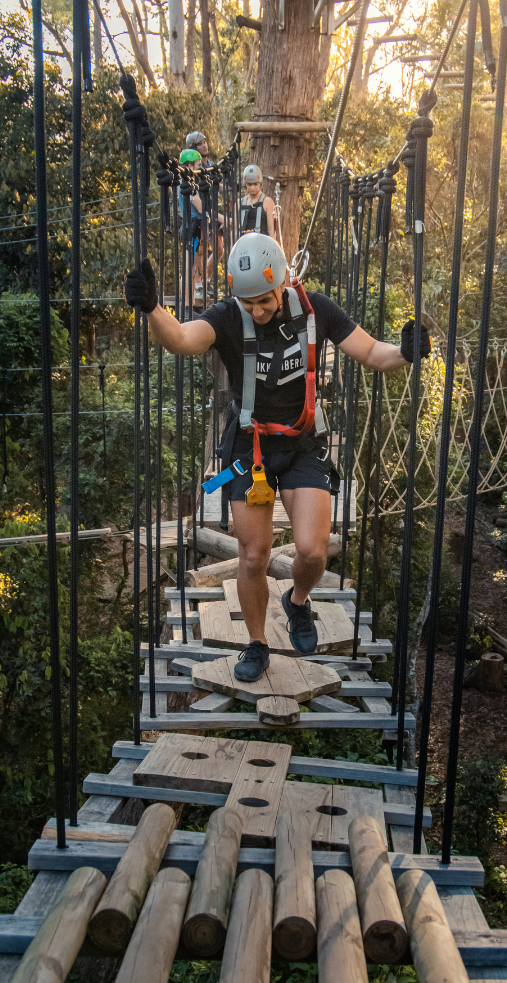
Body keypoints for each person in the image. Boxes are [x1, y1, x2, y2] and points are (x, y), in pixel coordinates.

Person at [123, 232, 431, 683]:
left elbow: (368, 351)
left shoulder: (315, 310)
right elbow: (184, 340)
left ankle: (298, 602)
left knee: (311, 549)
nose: (258, 311)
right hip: (249, 450)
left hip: (304, 443)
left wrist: (404, 352)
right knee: (254, 556)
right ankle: (257, 642)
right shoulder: (229, 316)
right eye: (248, 303)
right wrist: (152, 308)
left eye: (265, 301)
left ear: (283, 283)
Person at [178, 148, 223, 298]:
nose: (200, 169)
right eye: (198, 166)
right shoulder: (187, 186)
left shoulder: (192, 184)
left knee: (196, 265)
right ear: (190, 167)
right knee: (190, 268)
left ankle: (195, 294)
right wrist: (224, 219)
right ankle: (187, 303)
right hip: (191, 229)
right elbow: (202, 208)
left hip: (197, 228)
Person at [239, 164, 277, 242]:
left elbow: (272, 231)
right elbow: (235, 230)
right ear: (245, 184)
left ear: (260, 184)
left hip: (262, 245)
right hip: (244, 245)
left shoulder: (267, 202)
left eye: (255, 184)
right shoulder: (240, 202)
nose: (252, 187)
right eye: (249, 184)